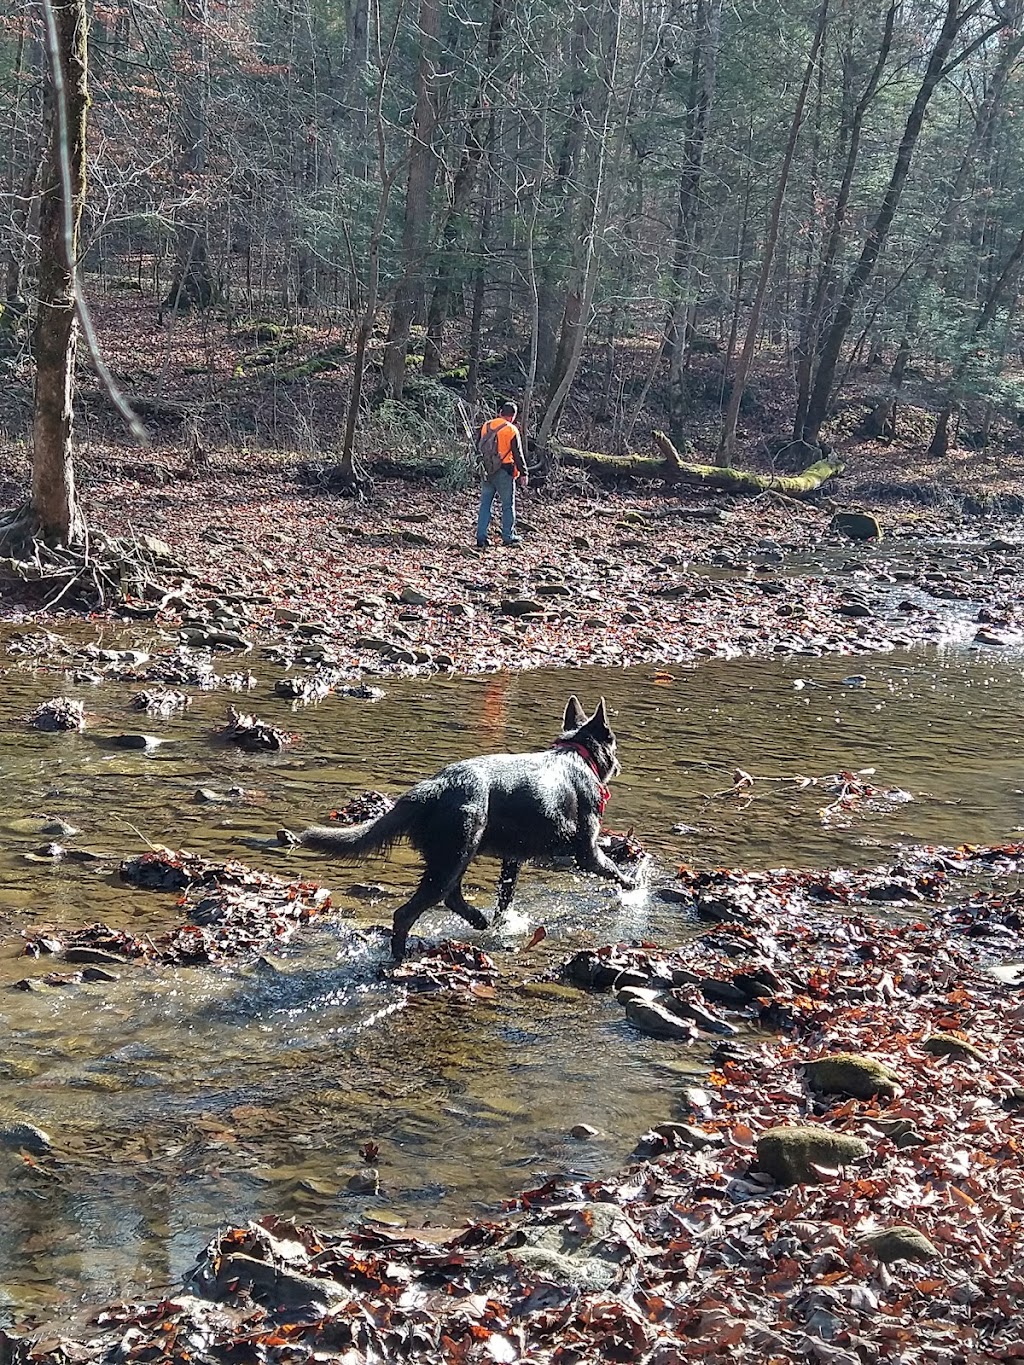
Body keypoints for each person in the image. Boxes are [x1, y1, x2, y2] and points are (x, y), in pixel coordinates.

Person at [475, 401, 527, 547]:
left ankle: (481, 537)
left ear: (500, 412)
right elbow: (518, 454)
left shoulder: (486, 426)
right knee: (507, 505)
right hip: (505, 471)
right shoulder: (511, 430)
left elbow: (477, 446)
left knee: (485, 504)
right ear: (513, 416)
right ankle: (508, 536)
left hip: (486, 470)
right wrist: (524, 473)